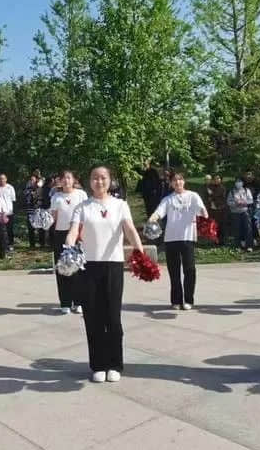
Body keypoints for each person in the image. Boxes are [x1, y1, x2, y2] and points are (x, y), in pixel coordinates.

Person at [64, 164, 145, 383]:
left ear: (110, 180)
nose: (99, 182)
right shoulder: (83, 207)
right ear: (89, 182)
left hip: (113, 266)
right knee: (93, 316)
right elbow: (73, 231)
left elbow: (129, 229)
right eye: (94, 178)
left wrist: (140, 250)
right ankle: (98, 364)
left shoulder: (120, 205)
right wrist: (69, 246)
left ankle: (115, 363)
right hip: (88, 267)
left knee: (113, 317)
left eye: (103, 178)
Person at [147, 172, 208, 311]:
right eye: (174, 180)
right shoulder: (168, 199)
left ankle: (188, 300)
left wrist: (204, 213)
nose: (178, 182)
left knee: (189, 270)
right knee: (173, 271)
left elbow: (202, 210)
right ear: (171, 183)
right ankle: (176, 300)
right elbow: (159, 212)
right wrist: (153, 218)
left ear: (184, 181)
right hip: (171, 238)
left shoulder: (193, 196)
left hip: (187, 238)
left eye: (180, 179)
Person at [50, 170, 87, 313]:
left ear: (74, 180)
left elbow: (86, 215)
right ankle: (65, 302)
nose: (66, 181)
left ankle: (78, 302)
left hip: (78, 234)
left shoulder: (81, 195)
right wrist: (44, 222)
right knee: (62, 268)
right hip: (60, 235)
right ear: (59, 181)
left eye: (69, 178)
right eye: (63, 178)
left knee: (78, 268)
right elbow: (53, 217)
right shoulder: (56, 197)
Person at [227, 179, 254, 252]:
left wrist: (244, 202)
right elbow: (228, 202)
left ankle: (249, 246)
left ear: (242, 183)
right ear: (235, 183)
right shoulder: (232, 191)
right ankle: (237, 246)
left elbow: (251, 200)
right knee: (236, 229)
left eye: (240, 182)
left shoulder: (246, 190)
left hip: (245, 212)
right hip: (235, 213)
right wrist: (236, 203)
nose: (238, 183)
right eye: (237, 182)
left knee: (248, 229)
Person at [23, 171, 46, 248]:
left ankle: (42, 243)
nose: (31, 181)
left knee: (40, 227)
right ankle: (32, 244)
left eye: (33, 180)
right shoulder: (27, 189)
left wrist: (39, 177)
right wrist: (31, 192)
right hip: (30, 210)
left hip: (39, 209)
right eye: (30, 180)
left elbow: (43, 180)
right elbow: (26, 196)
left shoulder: (40, 188)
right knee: (30, 227)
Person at [0, 174, 17, 252]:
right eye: (0, 179)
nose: (1, 180)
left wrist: (11, 210)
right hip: (0, 213)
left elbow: (13, 200)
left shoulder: (10, 188)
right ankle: (3, 245)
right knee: (2, 230)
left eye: (3, 179)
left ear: (6, 179)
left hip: (9, 212)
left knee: (9, 229)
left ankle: (11, 245)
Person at [206, 174, 229, 246]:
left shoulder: (222, 188)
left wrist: (212, 197)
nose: (216, 180)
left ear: (221, 180)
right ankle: (215, 240)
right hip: (213, 210)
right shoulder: (211, 187)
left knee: (222, 226)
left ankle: (222, 241)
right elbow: (208, 197)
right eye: (215, 179)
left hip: (221, 209)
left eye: (218, 178)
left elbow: (220, 197)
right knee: (214, 226)